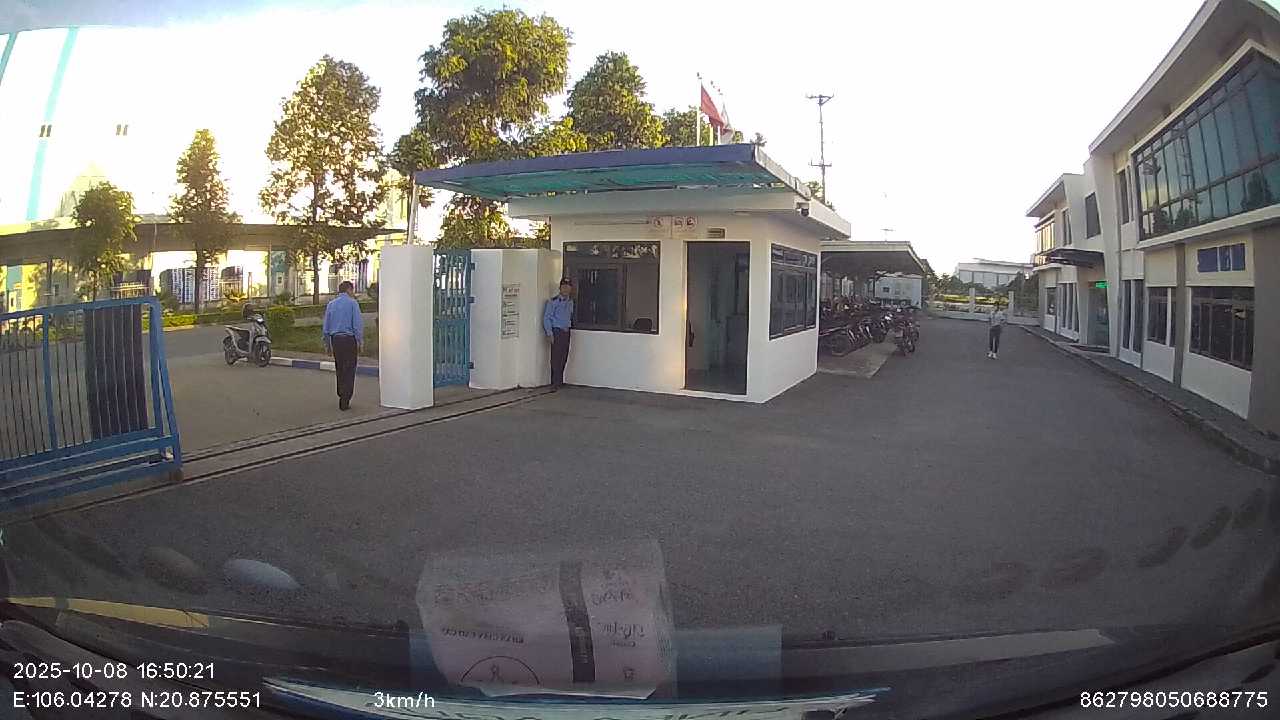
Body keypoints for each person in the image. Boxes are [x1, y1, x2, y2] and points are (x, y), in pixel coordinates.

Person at [323, 280, 364, 410]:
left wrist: (327, 345)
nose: (353, 293)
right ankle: (345, 398)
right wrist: (360, 341)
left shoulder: (331, 305)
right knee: (350, 369)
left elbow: (326, 327)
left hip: (336, 340)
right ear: (348, 290)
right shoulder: (353, 304)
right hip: (349, 340)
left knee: (340, 368)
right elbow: (357, 325)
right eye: (352, 290)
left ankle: (341, 392)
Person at [542, 278, 574, 390]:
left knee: (564, 356)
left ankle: (560, 380)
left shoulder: (570, 302)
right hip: (557, 331)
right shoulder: (553, 302)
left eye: (568, 287)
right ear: (560, 288)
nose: (566, 289)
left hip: (566, 331)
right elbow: (546, 318)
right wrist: (549, 333)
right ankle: (554, 382)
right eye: (564, 287)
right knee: (556, 357)